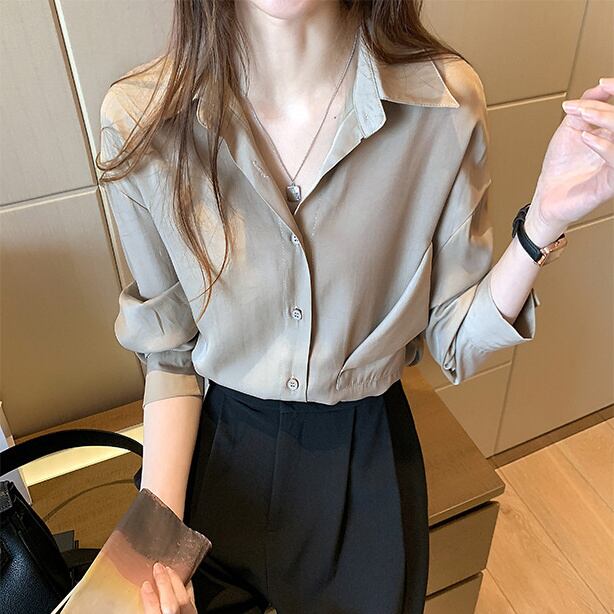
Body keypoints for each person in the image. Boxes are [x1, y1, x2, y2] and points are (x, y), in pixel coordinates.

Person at [96, 1, 614, 613]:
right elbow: (169, 353)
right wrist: (159, 554)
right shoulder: (143, 120)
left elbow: (454, 339)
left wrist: (543, 222)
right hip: (212, 454)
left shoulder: (444, 104)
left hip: (364, 462)